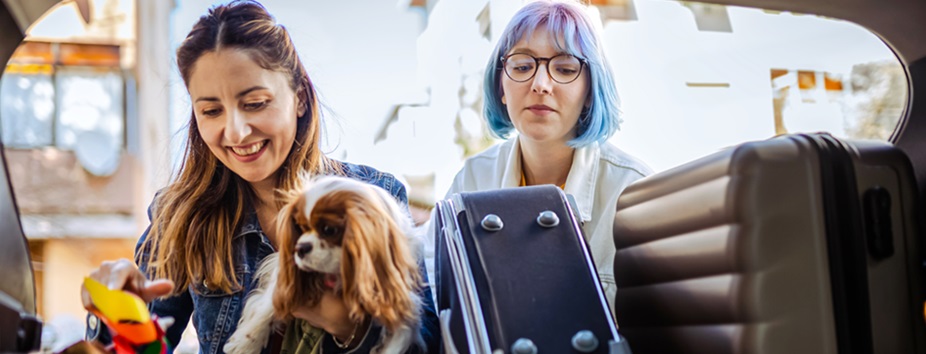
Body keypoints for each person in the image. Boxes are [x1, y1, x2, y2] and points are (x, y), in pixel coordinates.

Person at [80, 1, 438, 352]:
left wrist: (347, 329)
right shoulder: (180, 215)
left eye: (254, 103)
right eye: (211, 110)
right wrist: (114, 311)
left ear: (299, 98)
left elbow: (424, 338)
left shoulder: (377, 196)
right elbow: (137, 346)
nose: (235, 132)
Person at [444, 0, 652, 317]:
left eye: (565, 69)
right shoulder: (471, 181)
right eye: (523, 66)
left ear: (590, 91)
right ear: (501, 85)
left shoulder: (632, 192)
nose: (540, 85)